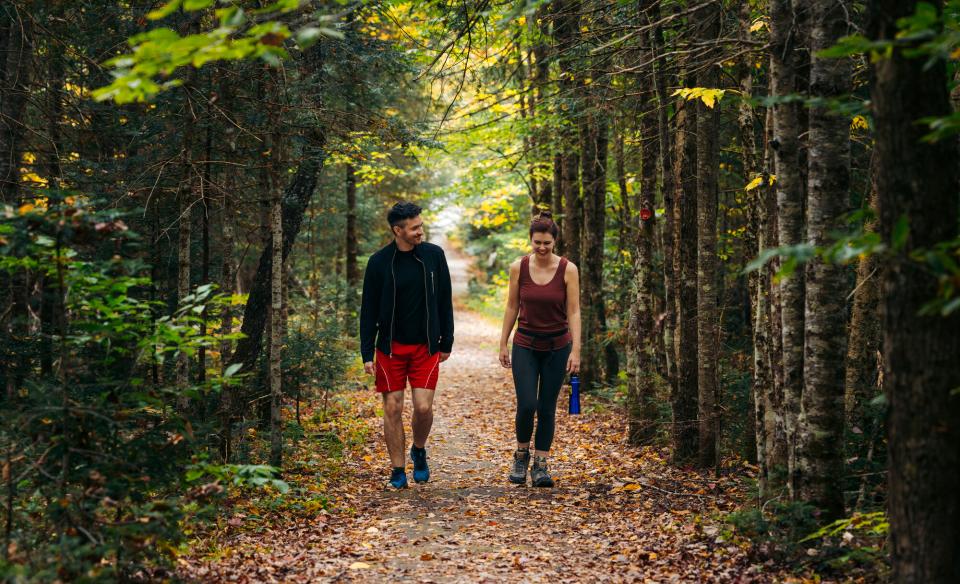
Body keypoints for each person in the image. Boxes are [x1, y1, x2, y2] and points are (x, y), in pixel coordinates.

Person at [359, 202, 454, 489]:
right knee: (392, 407)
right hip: (390, 348)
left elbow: (444, 299)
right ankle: (398, 470)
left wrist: (447, 340)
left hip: (426, 347)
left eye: (420, 226)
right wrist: (367, 352)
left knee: (423, 407)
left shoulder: (433, 256)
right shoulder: (379, 262)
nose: (420, 232)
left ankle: (419, 449)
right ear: (397, 230)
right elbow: (368, 309)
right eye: (414, 228)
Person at [498, 211, 581, 487]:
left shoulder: (568, 269)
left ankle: (541, 465)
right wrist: (503, 343)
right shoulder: (518, 267)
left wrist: (576, 350)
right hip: (525, 344)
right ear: (530, 241)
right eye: (537, 243)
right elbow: (512, 306)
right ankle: (521, 456)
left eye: (547, 243)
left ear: (555, 241)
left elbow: (574, 311)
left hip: (558, 346)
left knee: (546, 407)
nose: (542, 248)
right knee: (527, 405)